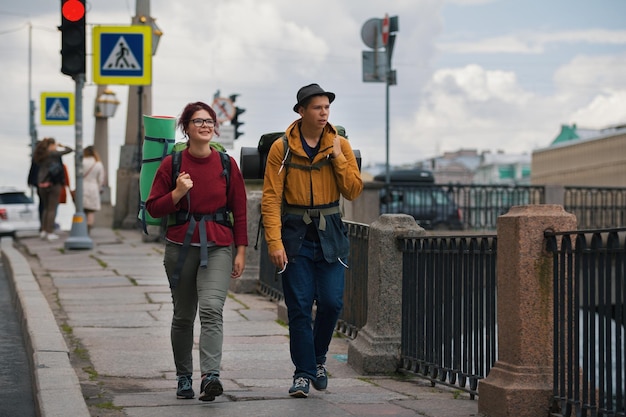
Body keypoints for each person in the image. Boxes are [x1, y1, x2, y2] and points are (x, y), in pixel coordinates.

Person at [261, 83, 363, 397]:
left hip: (330, 232)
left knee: (332, 304)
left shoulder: (340, 145)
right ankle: (303, 373)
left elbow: (353, 190)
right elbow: (270, 198)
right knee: (300, 308)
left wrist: (338, 159)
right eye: (317, 108)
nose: (323, 113)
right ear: (301, 111)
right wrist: (274, 243)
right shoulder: (283, 148)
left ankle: (318, 359)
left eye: (327, 108)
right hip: (295, 236)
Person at [145, 101, 248, 402]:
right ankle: (183, 377)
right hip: (180, 246)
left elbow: (239, 211)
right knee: (183, 316)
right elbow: (153, 207)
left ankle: (210, 376)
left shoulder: (227, 165)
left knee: (212, 309)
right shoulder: (172, 165)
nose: (205, 125)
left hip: (218, 246)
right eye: (198, 121)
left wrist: (240, 251)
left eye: (209, 121)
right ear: (186, 128)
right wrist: (177, 193)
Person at [33, 137, 73, 241]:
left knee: (45, 208)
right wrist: (62, 146)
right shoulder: (53, 154)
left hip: (42, 183)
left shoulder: (40, 155)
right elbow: (69, 150)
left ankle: (43, 230)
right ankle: (50, 231)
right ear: (51, 145)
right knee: (52, 208)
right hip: (53, 183)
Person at [81, 146, 105, 233]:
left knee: (81, 209)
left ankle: (81, 228)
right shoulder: (98, 164)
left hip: (82, 187)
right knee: (91, 211)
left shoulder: (82, 162)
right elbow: (101, 179)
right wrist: (99, 188)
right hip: (93, 187)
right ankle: (89, 227)